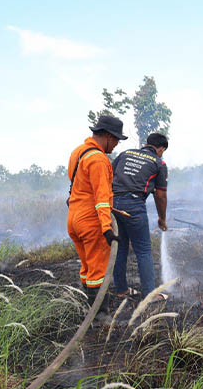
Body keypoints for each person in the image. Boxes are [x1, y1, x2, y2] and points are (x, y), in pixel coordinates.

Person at [67, 115, 126, 314]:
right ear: (108, 136)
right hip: (91, 220)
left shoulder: (79, 152)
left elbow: (78, 184)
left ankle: (88, 308)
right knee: (98, 272)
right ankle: (99, 318)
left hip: (74, 218)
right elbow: (101, 197)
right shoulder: (99, 159)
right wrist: (107, 228)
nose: (116, 144)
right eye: (116, 139)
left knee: (87, 268)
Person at [111, 132, 169, 299]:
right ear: (161, 149)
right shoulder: (159, 163)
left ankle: (122, 290)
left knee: (120, 247)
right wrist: (162, 219)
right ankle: (149, 295)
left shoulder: (125, 154)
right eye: (163, 151)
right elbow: (160, 195)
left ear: (146, 144)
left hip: (112, 204)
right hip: (134, 205)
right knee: (143, 250)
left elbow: (109, 176)